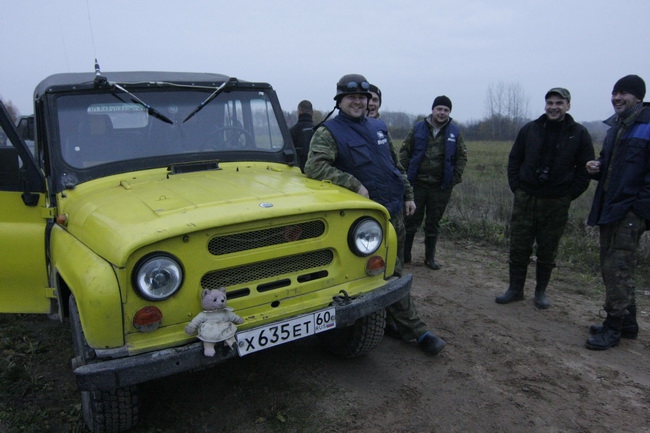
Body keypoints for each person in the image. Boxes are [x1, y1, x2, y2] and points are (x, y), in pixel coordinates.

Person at [304, 73, 446, 355]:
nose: (358, 102)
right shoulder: (328, 132)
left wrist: (407, 194)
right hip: (369, 223)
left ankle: (392, 321)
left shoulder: (378, 127)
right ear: (340, 101)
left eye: (362, 97)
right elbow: (314, 167)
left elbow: (394, 165)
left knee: (392, 271)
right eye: (351, 97)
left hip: (395, 211)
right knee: (389, 274)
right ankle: (418, 331)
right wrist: (354, 184)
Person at [496, 87, 594, 309]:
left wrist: (568, 195)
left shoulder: (579, 133)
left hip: (556, 202)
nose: (553, 107)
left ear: (568, 106)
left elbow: (585, 169)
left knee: (548, 249)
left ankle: (540, 292)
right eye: (550, 103)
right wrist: (517, 188)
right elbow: (515, 159)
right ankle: (515, 289)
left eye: (559, 103)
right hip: (526, 198)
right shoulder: (530, 129)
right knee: (519, 246)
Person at [585, 74, 649, 350]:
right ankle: (628, 323)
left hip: (629, 212)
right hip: (610, 207)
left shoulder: (647, 126)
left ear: (638, 97)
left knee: (616, 268)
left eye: (623, 93)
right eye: (614, 93)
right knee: (614, 265)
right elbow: (610, 163)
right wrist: (597, 167)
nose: (617, 98)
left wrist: (638, 209)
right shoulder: (616, 127)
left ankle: (613, 327)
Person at [399, 96, 467, 270]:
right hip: (417, 184)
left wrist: (454, 179)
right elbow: (405, 152)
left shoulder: (455, 132)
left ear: (449, 112)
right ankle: (405, 255)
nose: (442, 113)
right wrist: (404, 175)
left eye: (446, 110)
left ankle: (430, 259)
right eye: (439, 109)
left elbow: (462, 157)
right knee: (410, 220)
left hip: (440, 187)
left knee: (433, 223)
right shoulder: (417, 128)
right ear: (433, 110)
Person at [289, 100, 315, 172]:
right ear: (312, 112)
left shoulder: (291, 131)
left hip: (296, 171)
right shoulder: (319, 131)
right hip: (314, 171)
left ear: (299, 112)